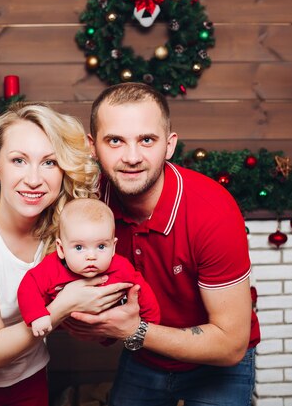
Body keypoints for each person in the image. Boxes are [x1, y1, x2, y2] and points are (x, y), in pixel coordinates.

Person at [0, 103, 133, 406]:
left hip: (28, 376)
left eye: (49, 162)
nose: (34, 179)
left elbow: (97, 299)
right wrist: (64, 304)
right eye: (19, 160)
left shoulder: (66, 232)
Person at [70, 83, 261, 405]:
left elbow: (231, 345)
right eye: (115, 141)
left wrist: (132, 330)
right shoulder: (88, 206)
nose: (132, 157)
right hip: (144, 357)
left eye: (147, 140)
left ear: (169, 145)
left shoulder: (211, 211)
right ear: (92, 146)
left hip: (216, 365)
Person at [17, 198, 160, 338]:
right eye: (79, 247)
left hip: (109, 332)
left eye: (101, 246)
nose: (91, 256)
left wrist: (149, 324)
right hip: (62, 331)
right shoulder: (51, 267)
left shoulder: (121, 268)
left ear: (113, 247)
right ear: (61, 249)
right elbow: (28, 288)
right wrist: (37, 316)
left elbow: (143, 292)